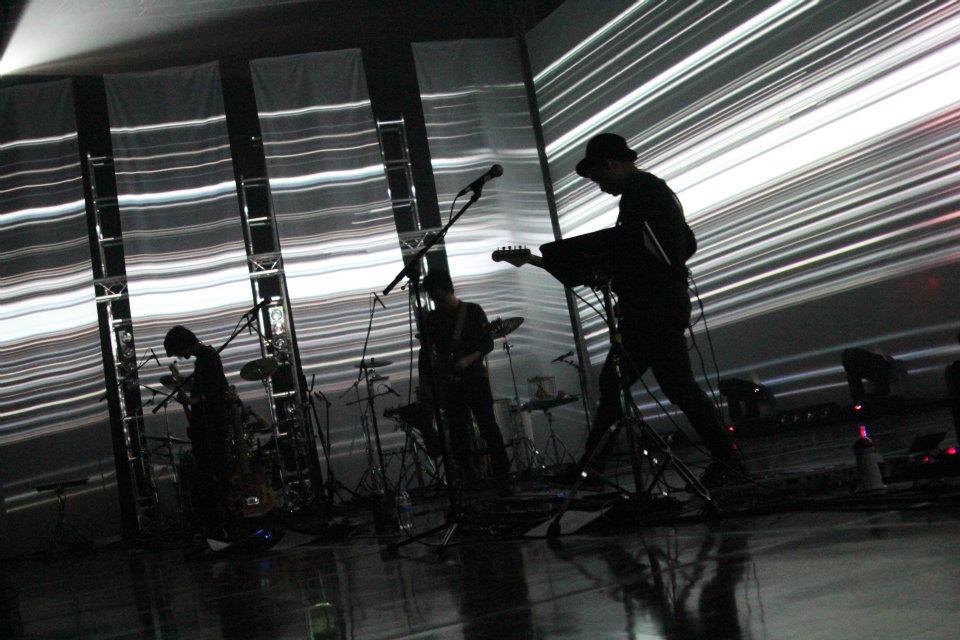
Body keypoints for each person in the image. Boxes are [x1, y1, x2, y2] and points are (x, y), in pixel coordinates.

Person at [501, 132, 743, 486]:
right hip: (655, 305)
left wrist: (626, 268)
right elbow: (683, 243)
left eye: (598, 177)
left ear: (611, 164)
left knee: (642, 384)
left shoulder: (643, 192)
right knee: (653, 385)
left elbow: (649, 249)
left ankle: (594, 469)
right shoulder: (648, 191)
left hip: (653, 307)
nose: (599, 186)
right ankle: (596, 468)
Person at [417, 269, 512, 494]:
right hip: (450, 384)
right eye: (432, 297)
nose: (434, 301)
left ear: (445, 289)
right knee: (458, 435)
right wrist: (426, 381)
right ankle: (471, 480)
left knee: (488, 427)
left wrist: (468, 360)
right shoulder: (433, 319)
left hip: (474, 379)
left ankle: (503, 478)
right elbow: (425, 353)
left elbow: (487, 344)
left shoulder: (473, 311)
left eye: (436, 296)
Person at [163, 325, 233, 535]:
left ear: (184, 344)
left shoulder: (208, 357)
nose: (180, 356)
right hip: (208, 424)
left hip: (213, 424)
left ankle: (223, 524)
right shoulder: (203, 358)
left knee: (215, 472)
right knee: (212, 473)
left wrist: (191, 400)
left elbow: (214, 390)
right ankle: (220, 524)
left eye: (178, 351)